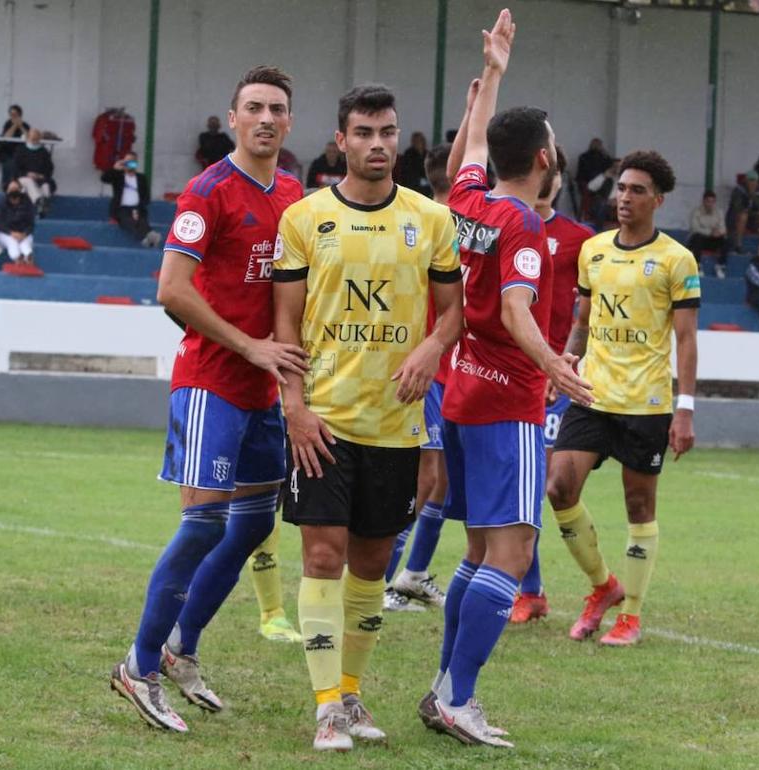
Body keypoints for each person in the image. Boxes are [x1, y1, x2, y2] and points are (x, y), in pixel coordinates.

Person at [108, 66, 307, 736]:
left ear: (290, 122)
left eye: (276, 109)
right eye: (253, 108)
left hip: (262, 390)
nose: (266, 119)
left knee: (251, 525)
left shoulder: (292, 194)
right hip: (212, 382)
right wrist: (249, 347)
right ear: (232, 118)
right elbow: (171, 288)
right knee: (202, 523)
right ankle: (138, 666)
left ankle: (180, 647)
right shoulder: (208, 191)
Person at [273, 82, 463, 752]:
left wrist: (431, 350)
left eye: (387, 132)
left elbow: (452, 316)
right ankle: (327, 706)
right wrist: (294, 409)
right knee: (322, 555)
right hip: (323, 422)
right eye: (363, 132)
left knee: (373, 565)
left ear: (397, 138)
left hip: (396, 426)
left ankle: (349, 692)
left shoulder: (432, 221)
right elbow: (285, 325)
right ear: (341, 140)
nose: (377, 144)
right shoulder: (303, 219)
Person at [422, 12, 591, 749]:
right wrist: (553, 364)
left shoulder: (467, 202)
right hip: (508, 402)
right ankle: (459, 697)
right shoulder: (522, 224)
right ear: (547, 158)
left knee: (477, 553)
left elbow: (469, 147)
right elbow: (520, 309)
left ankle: (443, 691)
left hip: (461, 394)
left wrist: (491, 76)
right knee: (513, 555)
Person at [545, 142, 700, 651]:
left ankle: (630, 614)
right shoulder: (595, 250)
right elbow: (583, 323)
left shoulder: (676, 260)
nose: (624, 198)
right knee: (559, 489)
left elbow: (686, 339)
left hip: (646, 404)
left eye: (637, 190)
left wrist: (686, 409)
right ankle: (602, 587)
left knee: (639, 506)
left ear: (658, 199)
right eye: (621, 188)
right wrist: (566, 361)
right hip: (593, 394)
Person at [510, 144, 595, 624]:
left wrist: (564, 368)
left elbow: (586, 315)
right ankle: (531, 588)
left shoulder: (581, 239)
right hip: (516, 373)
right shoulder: (510, 225)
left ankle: (533, 589)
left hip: (558, 378)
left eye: (554, 173)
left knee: (542, 481)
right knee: (520, 483)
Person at [384, 141, 459, 615]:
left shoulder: (427, 217)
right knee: (423, 481)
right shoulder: (439, 224)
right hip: (430, 370)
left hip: (446, 371)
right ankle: (380, 581)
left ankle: (408, 573)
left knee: (439, 481)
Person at [101, 152, 161, 247]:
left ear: (136, 163)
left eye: (132, 162)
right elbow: (104, 179)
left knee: (141, 221)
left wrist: (138, 208)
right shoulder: (118, 176)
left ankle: (148, 238)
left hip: (137, 208)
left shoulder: (141, 178)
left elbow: (146, 197)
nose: (130, 164)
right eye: (127, 162)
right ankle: (148, 236)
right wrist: (115, 169)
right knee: (128, 221)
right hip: (121, 209)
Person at [0, 180, 37, 267]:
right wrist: (11, 233)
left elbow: (31, 223)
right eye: (11, 189)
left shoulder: (27, 204)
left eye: (16, 188)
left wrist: (24, 234)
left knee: (25, 244)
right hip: (6, 233)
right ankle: (18, 259)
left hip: (24, 233)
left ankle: (28, 258)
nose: (13, 191)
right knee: (12, 242)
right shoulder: (1, 204)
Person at [13, 128, 55, 216]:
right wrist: (27, 174)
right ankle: (38, 201)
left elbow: (49, 168)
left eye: (36, 139)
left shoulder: (43, 152)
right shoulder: (20, 150)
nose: (34, 141)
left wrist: (41, 176)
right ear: (28, 138)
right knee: (29, 182)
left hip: (40, 178)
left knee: (46, 187)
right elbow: (15, 168)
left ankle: (42, 210)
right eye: (32, 139)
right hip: (23, 178)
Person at [727, 171, 759, 253]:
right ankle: (738, 245)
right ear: (746, 180)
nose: (752, 182)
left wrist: (753, 196)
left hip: (753, 218)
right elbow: (737, 208)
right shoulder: (738, 190)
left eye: (754, 180)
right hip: (736, 219)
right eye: (750, 180)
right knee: (743, 216)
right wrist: (749, 196)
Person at [687, 190, 728, 277]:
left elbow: (723, 228)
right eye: (708, 201)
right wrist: (710, 232)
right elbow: (695, 228)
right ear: (704, 201)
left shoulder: (719, 212)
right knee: (697, 238)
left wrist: (718, 233)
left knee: (726, 241)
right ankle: (697, 265)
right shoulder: (696, 212)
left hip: (713, 239)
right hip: (700, 239)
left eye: (712, 201)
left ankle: (720, 266)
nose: (710, 204)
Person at [0, 104, 29, 186]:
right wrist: (15, 125)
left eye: (15, 114)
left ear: (20, 115)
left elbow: (29, 138)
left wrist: (21, 126)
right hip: (7, 152)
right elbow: (6, 137)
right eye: (11, 114)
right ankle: (7, 185)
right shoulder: (7, 124)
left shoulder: (25, 125)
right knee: (10, 164)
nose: (13, 116)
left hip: (21, 152)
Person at [396, 131, 431, 196]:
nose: (419, 143)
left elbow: (429, 168)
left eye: (420, 141)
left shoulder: (427, 153)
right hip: (412, 181)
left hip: (425, 180)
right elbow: (408, 170)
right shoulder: (409, 153)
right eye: (416, 141)